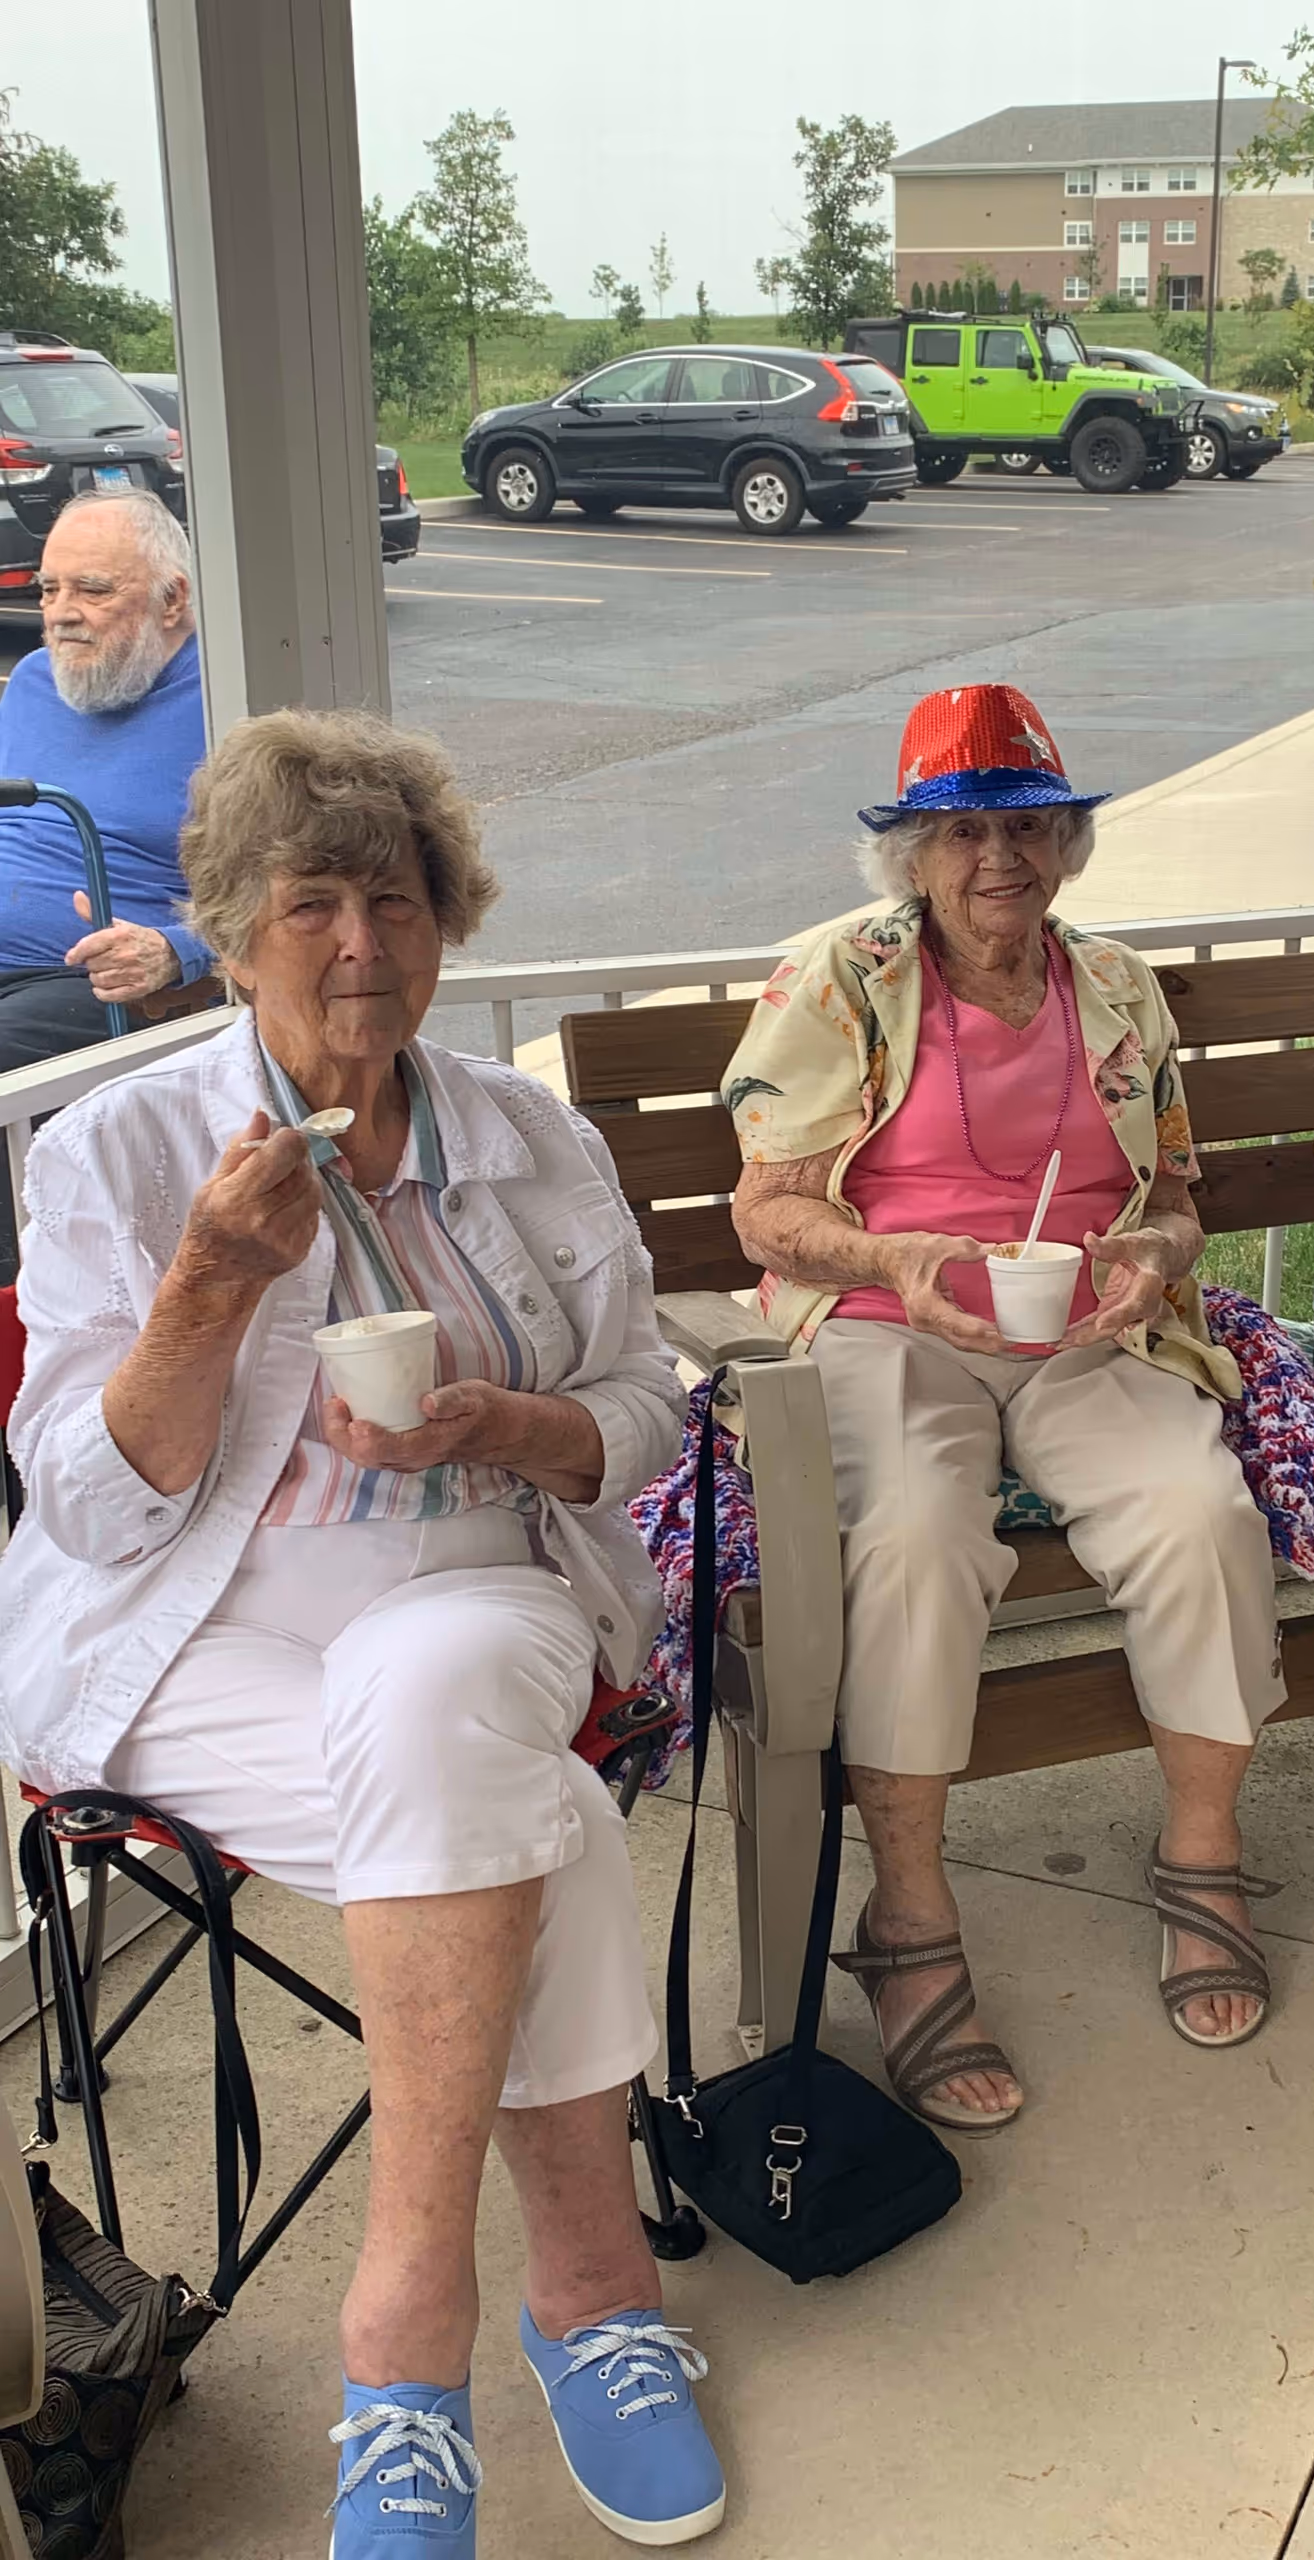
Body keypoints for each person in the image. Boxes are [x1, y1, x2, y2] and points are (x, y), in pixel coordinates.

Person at [0, 709, 726, 2554]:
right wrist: (210, 1283)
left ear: (444, 922)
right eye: (307, 903)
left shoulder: (529, 1138)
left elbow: (647, 1398)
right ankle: (583, 2291)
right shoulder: (121, 1150)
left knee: (439, 1687)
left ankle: (401, 2347)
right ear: (232, 931)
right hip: (186, 1637)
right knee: (537, 1822)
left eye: (391, 900)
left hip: (484, 1584)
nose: (356, 945)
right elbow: (88, 1505)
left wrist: (518, 1429)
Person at [726, 684, 1285, 2135]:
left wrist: (1156, 1254)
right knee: (912, 1533)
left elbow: (1172, 1189)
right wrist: (892, 1258)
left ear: (1068, 844)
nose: (1000, 860)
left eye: (1030, 827)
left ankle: (1205, 1857)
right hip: (881, 1331)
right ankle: (907, 1918)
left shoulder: (1113, 987)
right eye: (962, 829)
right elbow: (768, 1213)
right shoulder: (837, 978)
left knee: (1198, 1509)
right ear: (911, 852)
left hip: (1086, 1328)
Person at [0, 487, 213, 1071]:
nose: (62, 612)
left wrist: (176, 951)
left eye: (91, 589)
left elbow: (301, 887)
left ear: (171, 600)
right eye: (48, 589)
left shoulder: (231, 699)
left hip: (103, 990)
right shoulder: (34, 682)